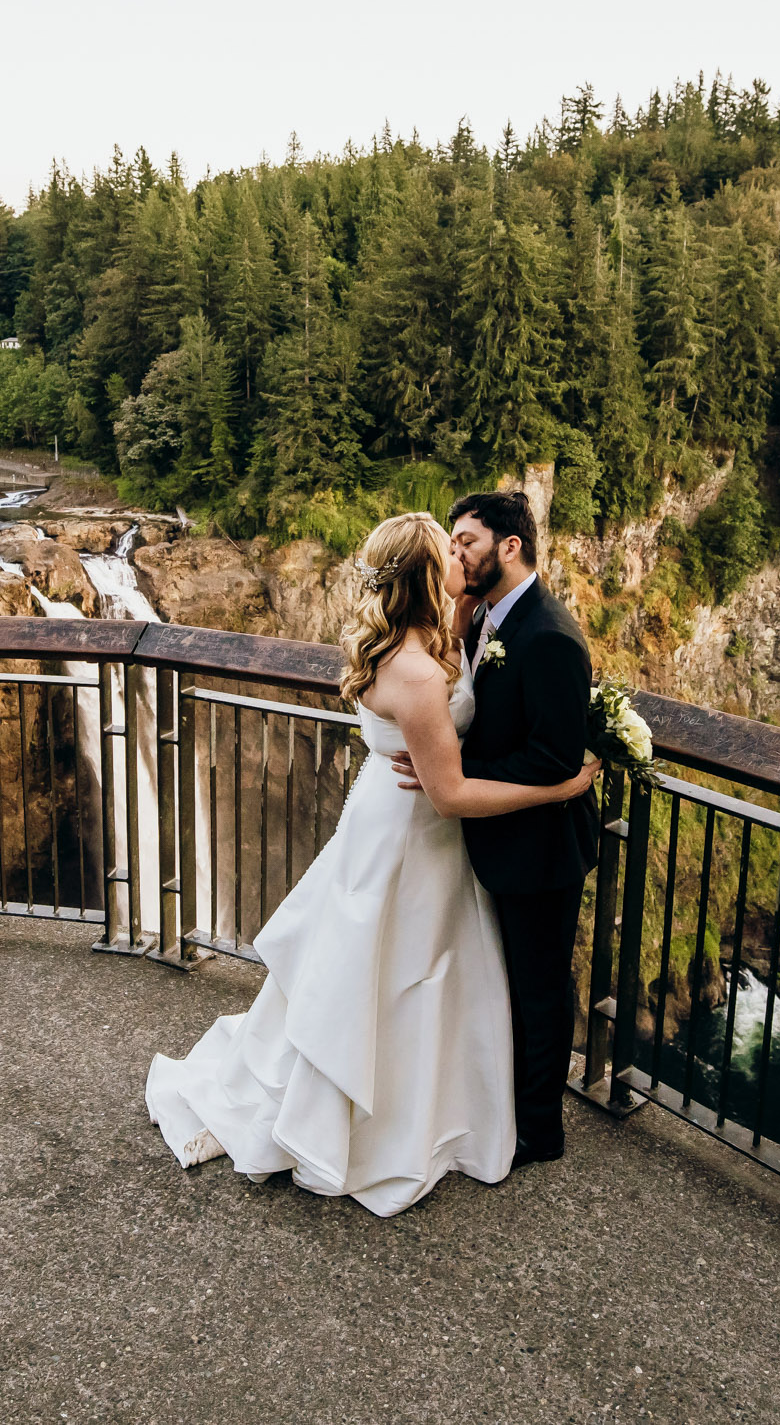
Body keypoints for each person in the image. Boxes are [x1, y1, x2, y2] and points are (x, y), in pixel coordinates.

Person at [143, 510, 598, 1216]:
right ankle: (385, 1130)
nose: (462, 556)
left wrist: (472, 605)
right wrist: (562, 785)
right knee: (399, 974)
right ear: (424, 574)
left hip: (392, 818)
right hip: (416, 832)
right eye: (449, 550)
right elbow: (447, 795)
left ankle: (428, 1109)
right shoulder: (416, 672)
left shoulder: (427, 638)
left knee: (419, 976)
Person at [390, 490, 600, 1165]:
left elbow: (554, 757)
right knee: (501, 985)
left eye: (467, 542)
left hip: (540, 852)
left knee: (539, 991)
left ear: (511, 546)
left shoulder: (551, 635)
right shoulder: (481, 614)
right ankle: (497, 1110)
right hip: (490, 844)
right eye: (451, 543)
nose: (455, 553)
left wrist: (449, 765)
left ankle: (541, 1133)